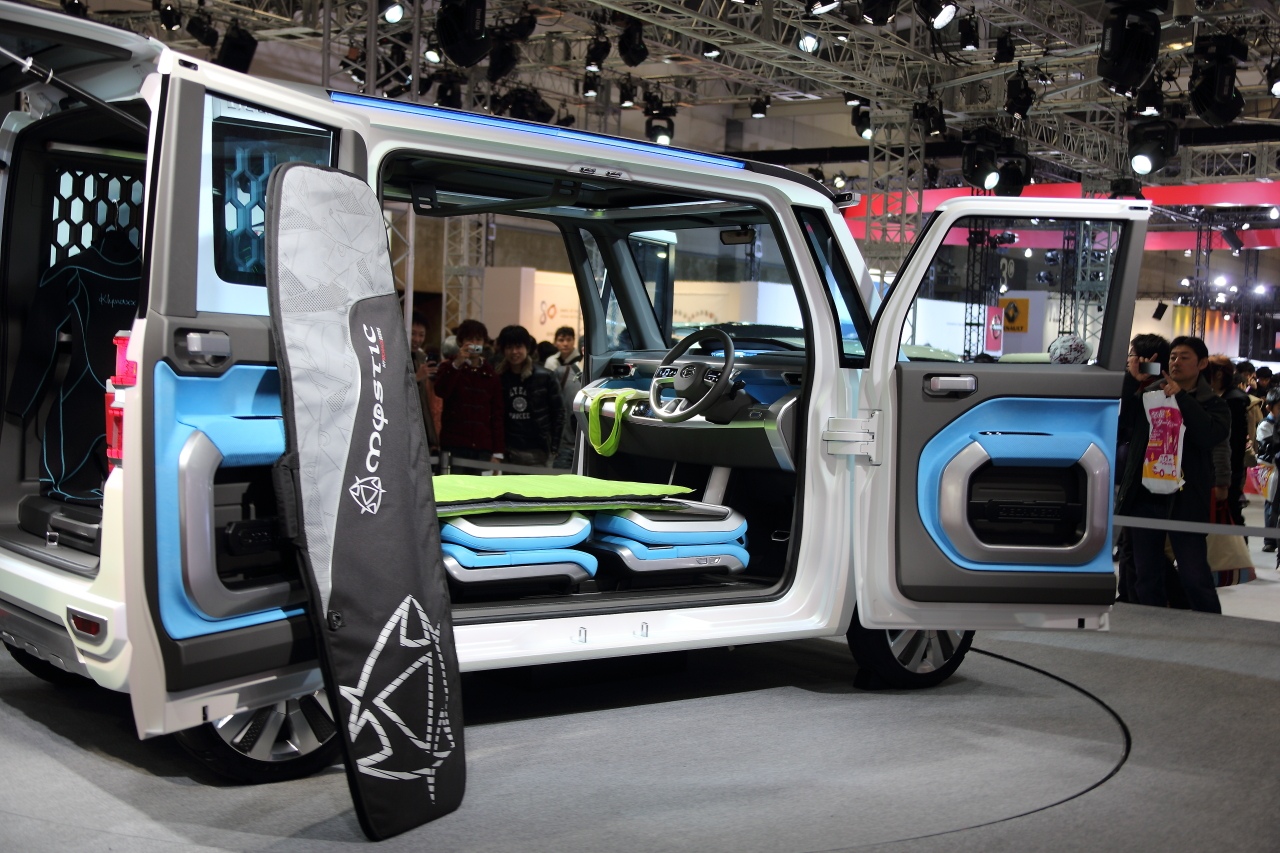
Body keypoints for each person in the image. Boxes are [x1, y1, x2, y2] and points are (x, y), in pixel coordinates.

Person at [1116, 335, 1228, 614]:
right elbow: (1120, 423)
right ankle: (1154, 627)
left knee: (1194, 574)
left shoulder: (1212, 402)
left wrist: (1181, 397)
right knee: (1146, 575)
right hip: (1145, 495)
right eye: (1173, 357)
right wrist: (1131, 382)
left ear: (1202, 363)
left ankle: (1211, 626)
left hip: (1186, 497)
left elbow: (1208, 435)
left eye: (1184, 357)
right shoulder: (1149, 395)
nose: (1176, 362)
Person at [1115, 333, 1171, 604]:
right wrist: (1132, 382)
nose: (1129, 361)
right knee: (1130, 545)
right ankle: (1128, 596)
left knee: (1147, 551)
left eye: (1132, 355)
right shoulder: (1133, 386)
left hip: (1153, 480)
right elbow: (1118, 420)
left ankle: (1151, 603)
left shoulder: (1165, 392)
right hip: (1129, 479)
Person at [433, 319, 505, 471]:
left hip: (482, 447)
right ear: (460, 342)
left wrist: (497, 452)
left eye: (478, 339)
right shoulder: (449, 367)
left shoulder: (491, 375)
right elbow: (440, 391)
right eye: (469, 339)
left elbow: (497, 414)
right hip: (454, 444)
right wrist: (457, 364)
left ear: (484, 343)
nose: (474, 344)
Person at [495, 324, 564, 467]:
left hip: (538, 448)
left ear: (527, 348)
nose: (514, 352)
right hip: (509, 449)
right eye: (509, 347)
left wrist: (554, 447)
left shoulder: (545, 376)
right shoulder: (499, 377)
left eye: (518, 347)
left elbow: (558, 413)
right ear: (503, 350)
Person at [1208, 355, 1248, 526]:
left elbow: (1235, 443)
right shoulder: (1216, 396)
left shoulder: (1233, 401)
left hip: (1229, 468)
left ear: (1218, 374)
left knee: (1230, 514)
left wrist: (1227, 476)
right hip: (1219, 468)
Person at [409, 314, 440, 451]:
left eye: (421, 335)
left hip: (422, 429)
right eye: (413, 334)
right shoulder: (392, 356)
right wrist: (416, 378)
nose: (417, 339)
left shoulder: (421, 357)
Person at [1256, 388, 1280, 552]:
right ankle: (1270, 540)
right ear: (1269, 407)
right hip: (1270, 469)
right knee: (1272, 505)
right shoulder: (1265, 425)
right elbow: (1270, 447)